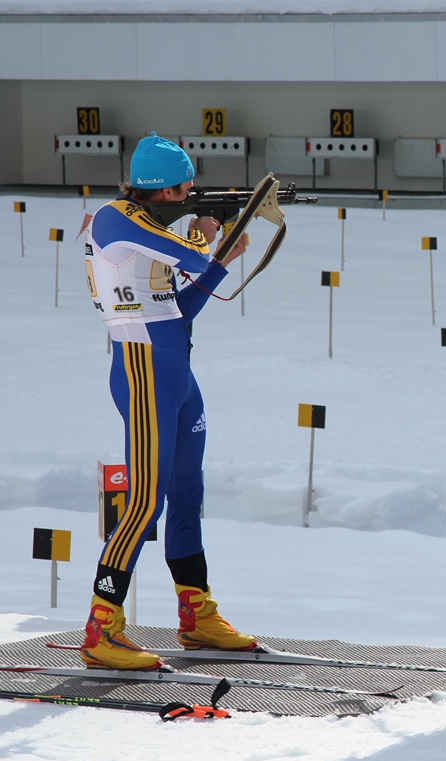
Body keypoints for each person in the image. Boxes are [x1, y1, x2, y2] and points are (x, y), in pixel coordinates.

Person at [81, 132, 255, 670]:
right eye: (186, 189)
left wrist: (220, 259)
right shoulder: (116, 219)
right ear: (166, 190)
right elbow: (192, 256)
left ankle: (196, 613)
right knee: (145, 502)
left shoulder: (147, 230)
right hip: (142, 372)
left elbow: (177, 312)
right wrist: (209, 238)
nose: (191, 196)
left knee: (186, 492)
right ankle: (101, 626)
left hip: (174, 371)